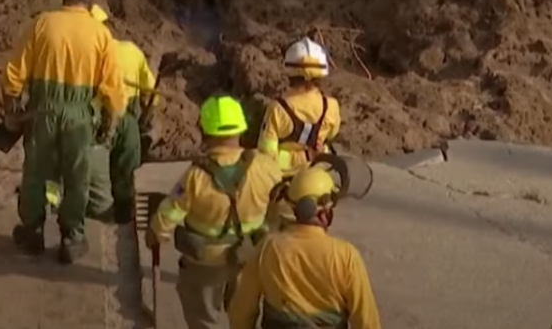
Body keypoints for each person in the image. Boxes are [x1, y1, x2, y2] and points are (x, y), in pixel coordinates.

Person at [1, 0, 127, 264]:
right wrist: (109, 124)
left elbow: (13, 75)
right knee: (76, 177)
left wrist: (11, 109)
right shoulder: (101, 35)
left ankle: (31, 232)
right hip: (79, 117)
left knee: (35, 174)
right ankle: (72, 237)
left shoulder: (41, 24)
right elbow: (114, 91)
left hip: (41, 112)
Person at [145, 95, 283, 329]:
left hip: (205, 263)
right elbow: (281, 208)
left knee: (202, 318)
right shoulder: (266, 167)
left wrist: (155, 234)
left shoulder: (195, 176)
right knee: (244, 316)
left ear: (205, 131)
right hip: (249, 257)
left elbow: (169, 213)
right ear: (241, 127)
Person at [227, 165, 382, 329]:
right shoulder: (346, 256)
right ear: (324, 214)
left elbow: (241, 311)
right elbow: (366, 321)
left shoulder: (267, 248)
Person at [86, 5, 158, 224]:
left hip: (93, 128)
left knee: (93, 182)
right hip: (126, 125)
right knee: (126, 170)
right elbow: (151, 94)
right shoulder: (131, 51)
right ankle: (125, 209)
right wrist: (147, 116)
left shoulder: (83, 58)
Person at [257, 37, 341, 177]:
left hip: (283, 180)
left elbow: (267, 156)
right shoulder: (331, 106)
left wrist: (304, 156)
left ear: (290, 72)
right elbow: (331, 135)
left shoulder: (277, 109)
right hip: (318, 175)